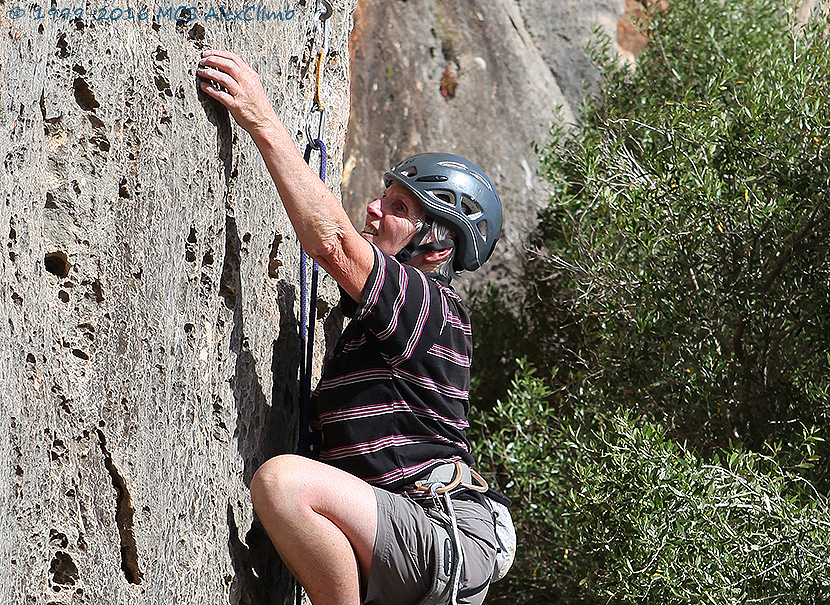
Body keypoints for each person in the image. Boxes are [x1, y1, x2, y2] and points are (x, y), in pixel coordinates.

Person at [196, 49, 507, 605]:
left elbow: (335, 243)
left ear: (437, 242)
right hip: (417, 537)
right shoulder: (397, 317)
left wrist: (263, 121)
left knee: (283, 484)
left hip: (440, 533)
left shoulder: (430, 308)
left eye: (397, 206)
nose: (372, 209)